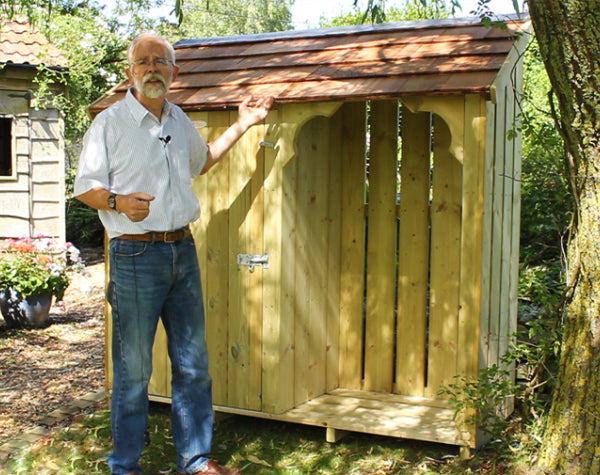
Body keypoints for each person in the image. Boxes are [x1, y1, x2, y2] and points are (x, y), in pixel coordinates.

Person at [74, 33, 273, 475]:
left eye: (160, 61)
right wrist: (117, 202)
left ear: (174, 72)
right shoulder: (108, 124)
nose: (152, 68)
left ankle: (196, 461)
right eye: (143, 61)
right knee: (133, 371)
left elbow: (201, 162)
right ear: (131, 72)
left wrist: (244, 124)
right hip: (133, 255)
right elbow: (84, 187)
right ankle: (124, 466)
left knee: (192, 364)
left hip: (181, 251)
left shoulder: (179, 120)